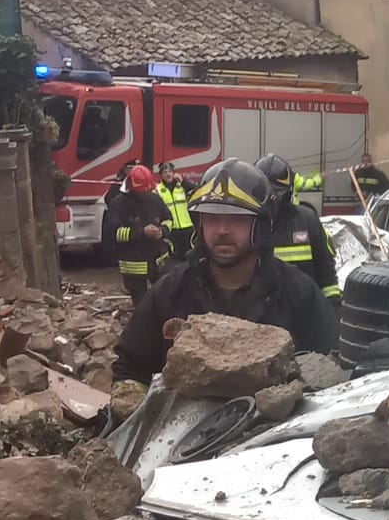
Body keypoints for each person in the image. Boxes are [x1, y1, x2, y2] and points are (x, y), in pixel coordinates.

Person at [113, 158, 339, 385]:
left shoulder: (298, 293)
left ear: (261, 226)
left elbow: (333, 368)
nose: (221, 230)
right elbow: (129, 367)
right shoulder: (170, 292)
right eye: (211, 218)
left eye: (236, 219)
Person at [255, 153, 342, 302]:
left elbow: (326, 272)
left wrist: (331, 307)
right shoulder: (248, 225)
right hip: (261, 315)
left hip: (305, 312)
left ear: (287, 192)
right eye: (265, 193)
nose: (271, 199)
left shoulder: (307, 220)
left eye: (276, 193)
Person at [102, 164, 169, 302]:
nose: (146, 193)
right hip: (133, 265)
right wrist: (141, 232)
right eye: (142, 191)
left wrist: (162, 231)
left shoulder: (155, 200)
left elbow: (168, 219)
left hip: (157, 261)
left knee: (164, 297)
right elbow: (113, 233)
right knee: (141, 304)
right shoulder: (118, 204)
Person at [156, 161, 196, 259]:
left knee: (190, 255)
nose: (168, 174)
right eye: (165, 172)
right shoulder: (157, 189)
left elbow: (196, 191)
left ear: (174, 173)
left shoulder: (182, 186)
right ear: (161, 175)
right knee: (174, 257)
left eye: (170, 171)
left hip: (187, 226)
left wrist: (183, 181)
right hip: (171, 229)